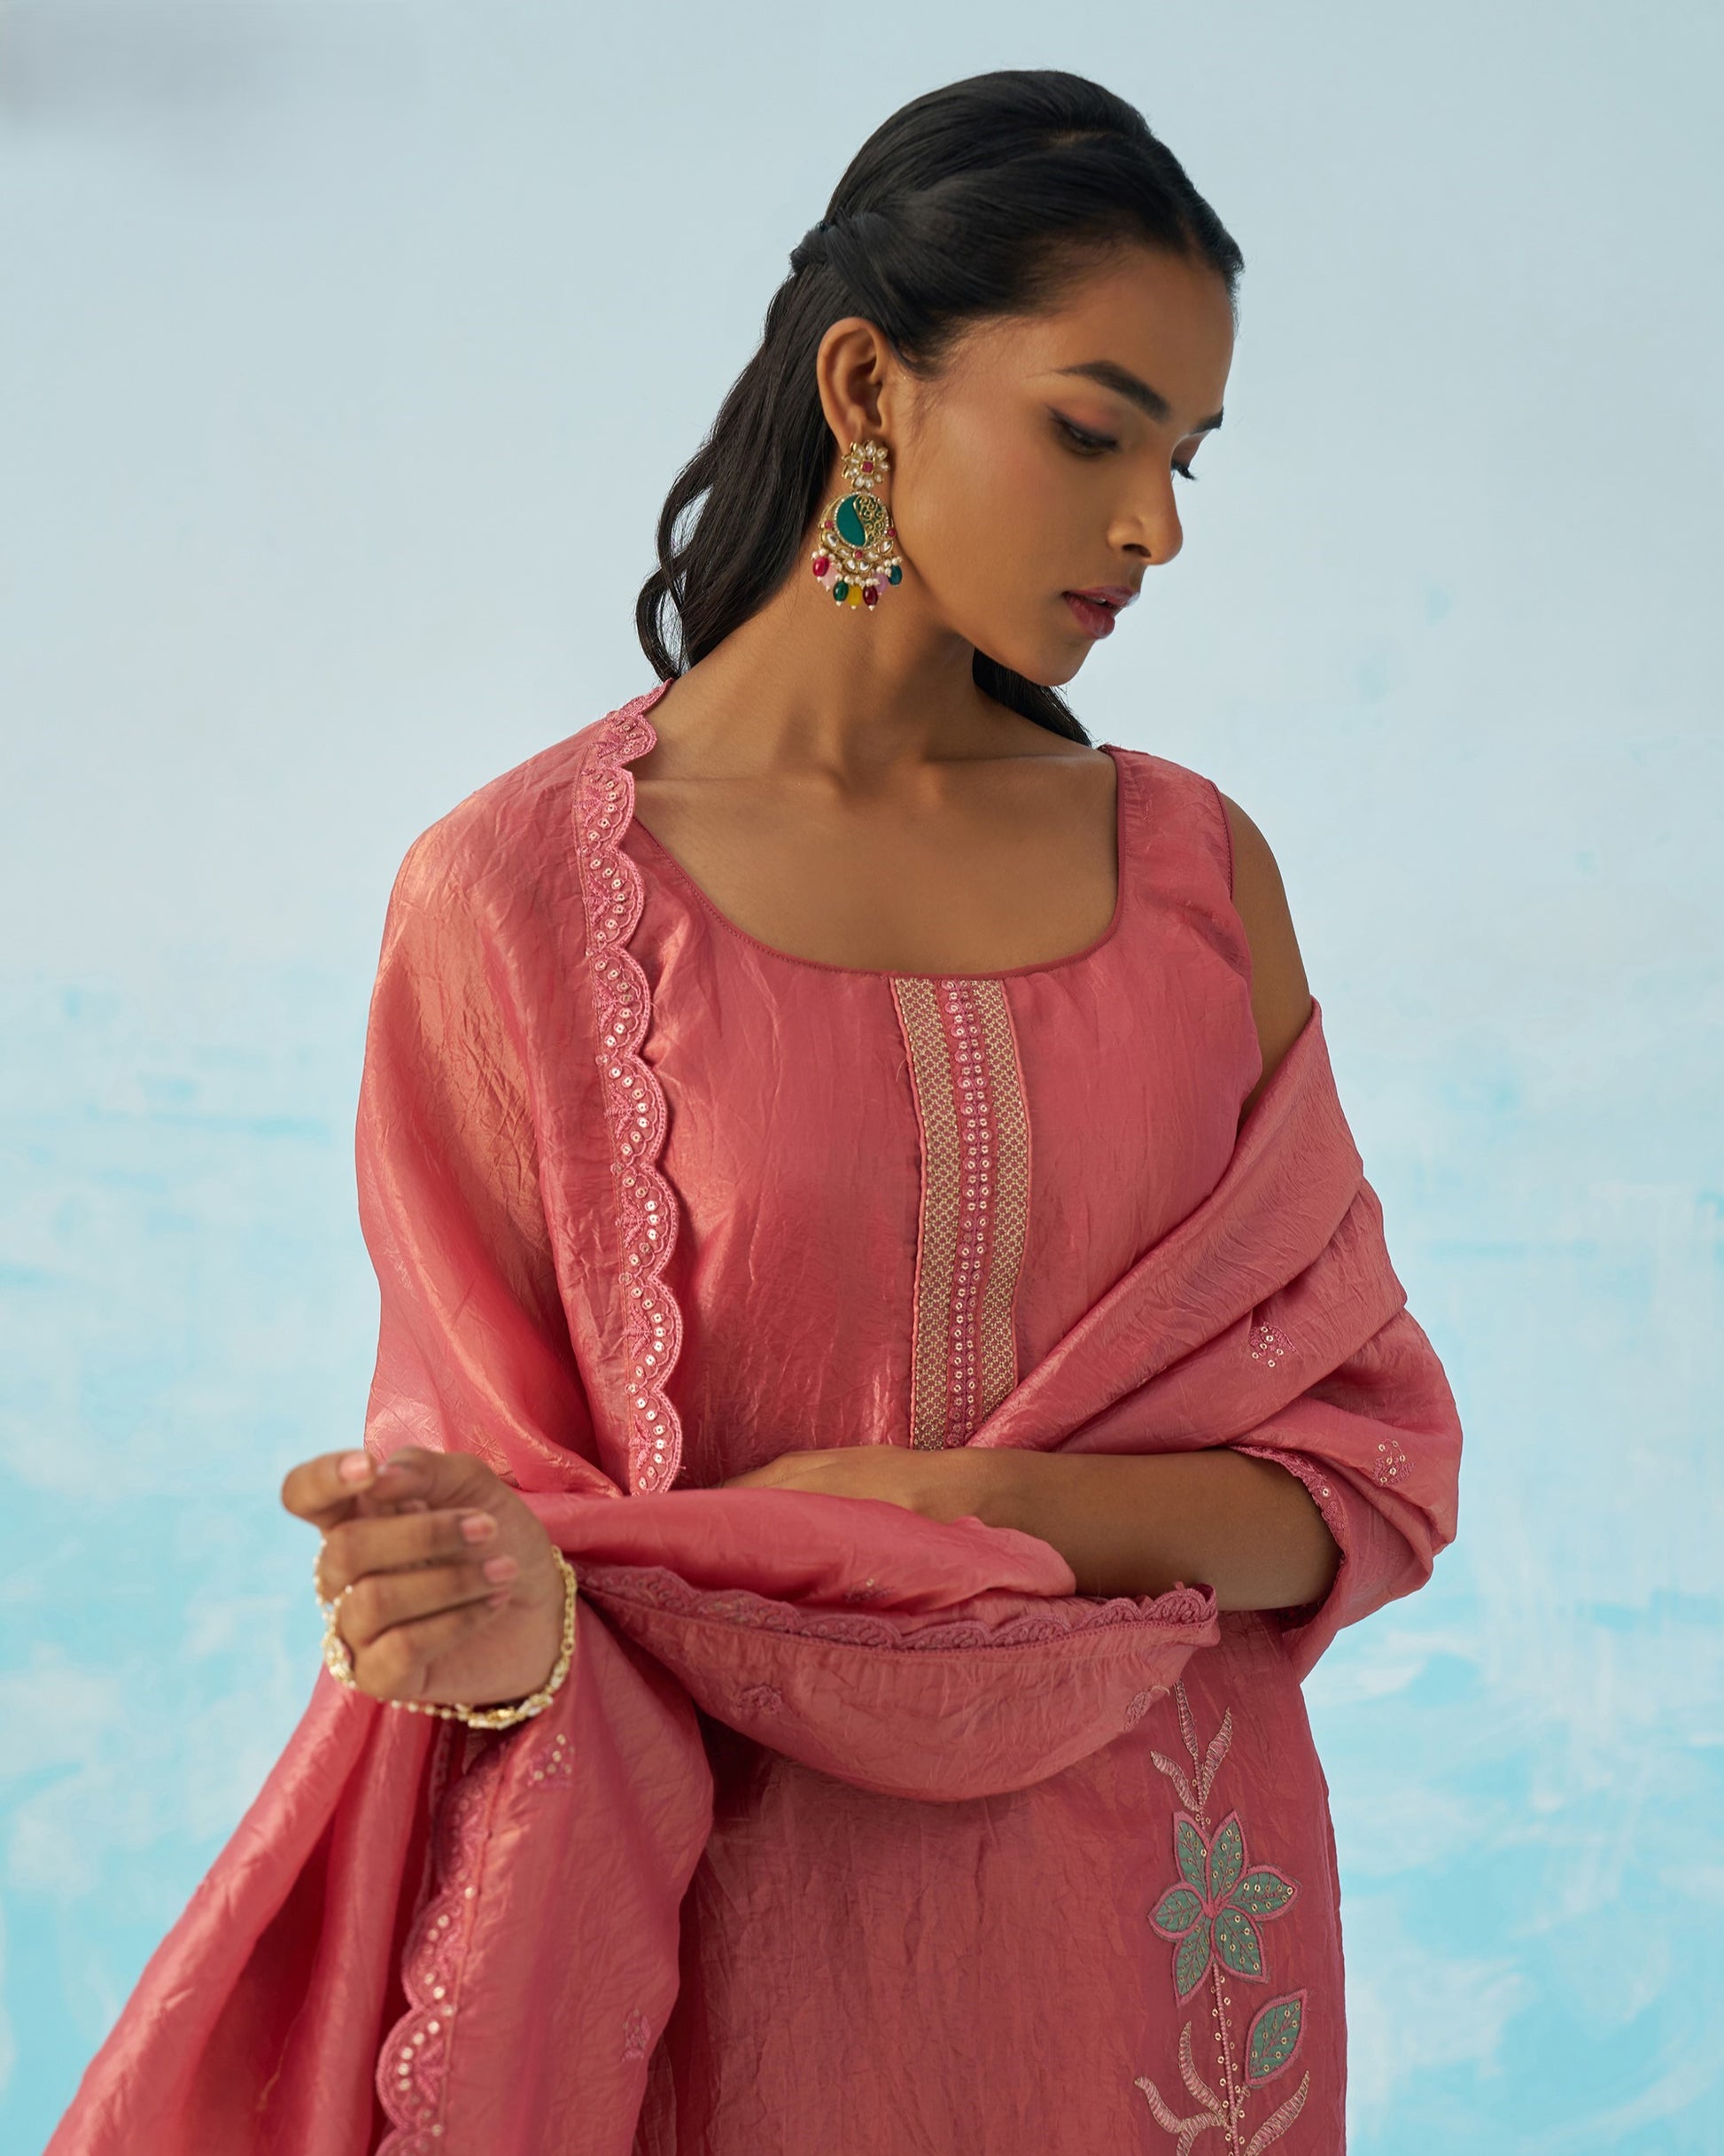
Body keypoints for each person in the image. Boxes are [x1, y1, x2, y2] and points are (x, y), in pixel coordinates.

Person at [50, 67, 1462, 2156]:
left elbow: (1362, 1468)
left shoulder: (1191, 875)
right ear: (870, 386)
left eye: (1184, 453)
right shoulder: (516, 902)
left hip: (1157, 1974)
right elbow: (523, 1566)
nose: (1154, 525)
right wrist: (474, 1601)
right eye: (1092, 430)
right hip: (732, 1974)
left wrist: (969, 1513)